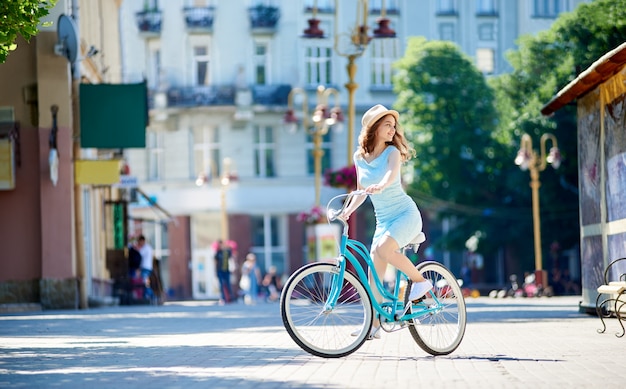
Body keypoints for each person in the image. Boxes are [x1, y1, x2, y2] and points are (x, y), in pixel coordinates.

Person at [340, 104, 433, 339]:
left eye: (394, 126)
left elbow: (391, 175)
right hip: (384, 222)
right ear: (374, 128)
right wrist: (347, 211)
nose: (392, 130)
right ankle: (373, 326)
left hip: (405, 215)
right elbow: (361, 190)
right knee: (374, 278)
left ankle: (420, 282)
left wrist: (381, 185)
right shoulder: (359, 157)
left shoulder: (392, 152)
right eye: (387, 125)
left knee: (384, 249)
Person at [134, 235, 154, 300]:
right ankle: (145, 296)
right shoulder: (149, 247)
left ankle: (152, 295)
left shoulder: (145, 248)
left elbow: (139, 253)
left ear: (142, 241)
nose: (139, 243)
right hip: (148, 267)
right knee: (145, 282)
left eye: (139, 242)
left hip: (145, 267)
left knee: (144, 282)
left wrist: (136, 247)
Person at [214, 240, 234, 304]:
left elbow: (232, 258)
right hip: (220, 271)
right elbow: (215, 262)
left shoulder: (227, 252)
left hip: (227, 270)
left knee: (228, 284)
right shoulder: (218, 253)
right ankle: (223, 298)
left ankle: (230, 298)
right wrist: (215, 271)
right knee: (222, 284)